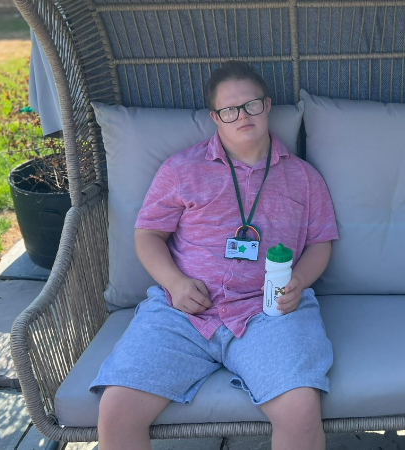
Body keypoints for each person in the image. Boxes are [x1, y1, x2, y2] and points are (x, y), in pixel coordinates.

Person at [90, 60, 339, 450]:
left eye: (251, 104)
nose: (242, 116)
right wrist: (173, 283)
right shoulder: (181, 170)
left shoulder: (304, 178)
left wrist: (300, 281)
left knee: (300, 411)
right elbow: (148, 235)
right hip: (182, 313)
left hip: (269, 312)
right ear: (214, 117)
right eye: (229, 110)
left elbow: (320, 242)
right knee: (117, 410)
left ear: (268, 105)